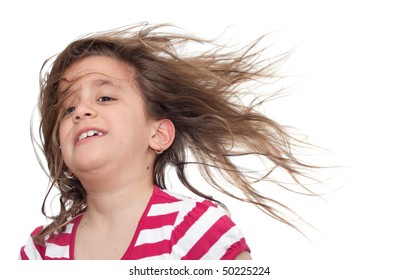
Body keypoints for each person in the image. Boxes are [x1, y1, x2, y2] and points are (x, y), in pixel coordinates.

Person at [20, 23, 319, 260]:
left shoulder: (195, 229)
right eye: (68, 108)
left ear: (158, 134)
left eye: (105, 97)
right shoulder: (40, 253)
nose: (81, 111)